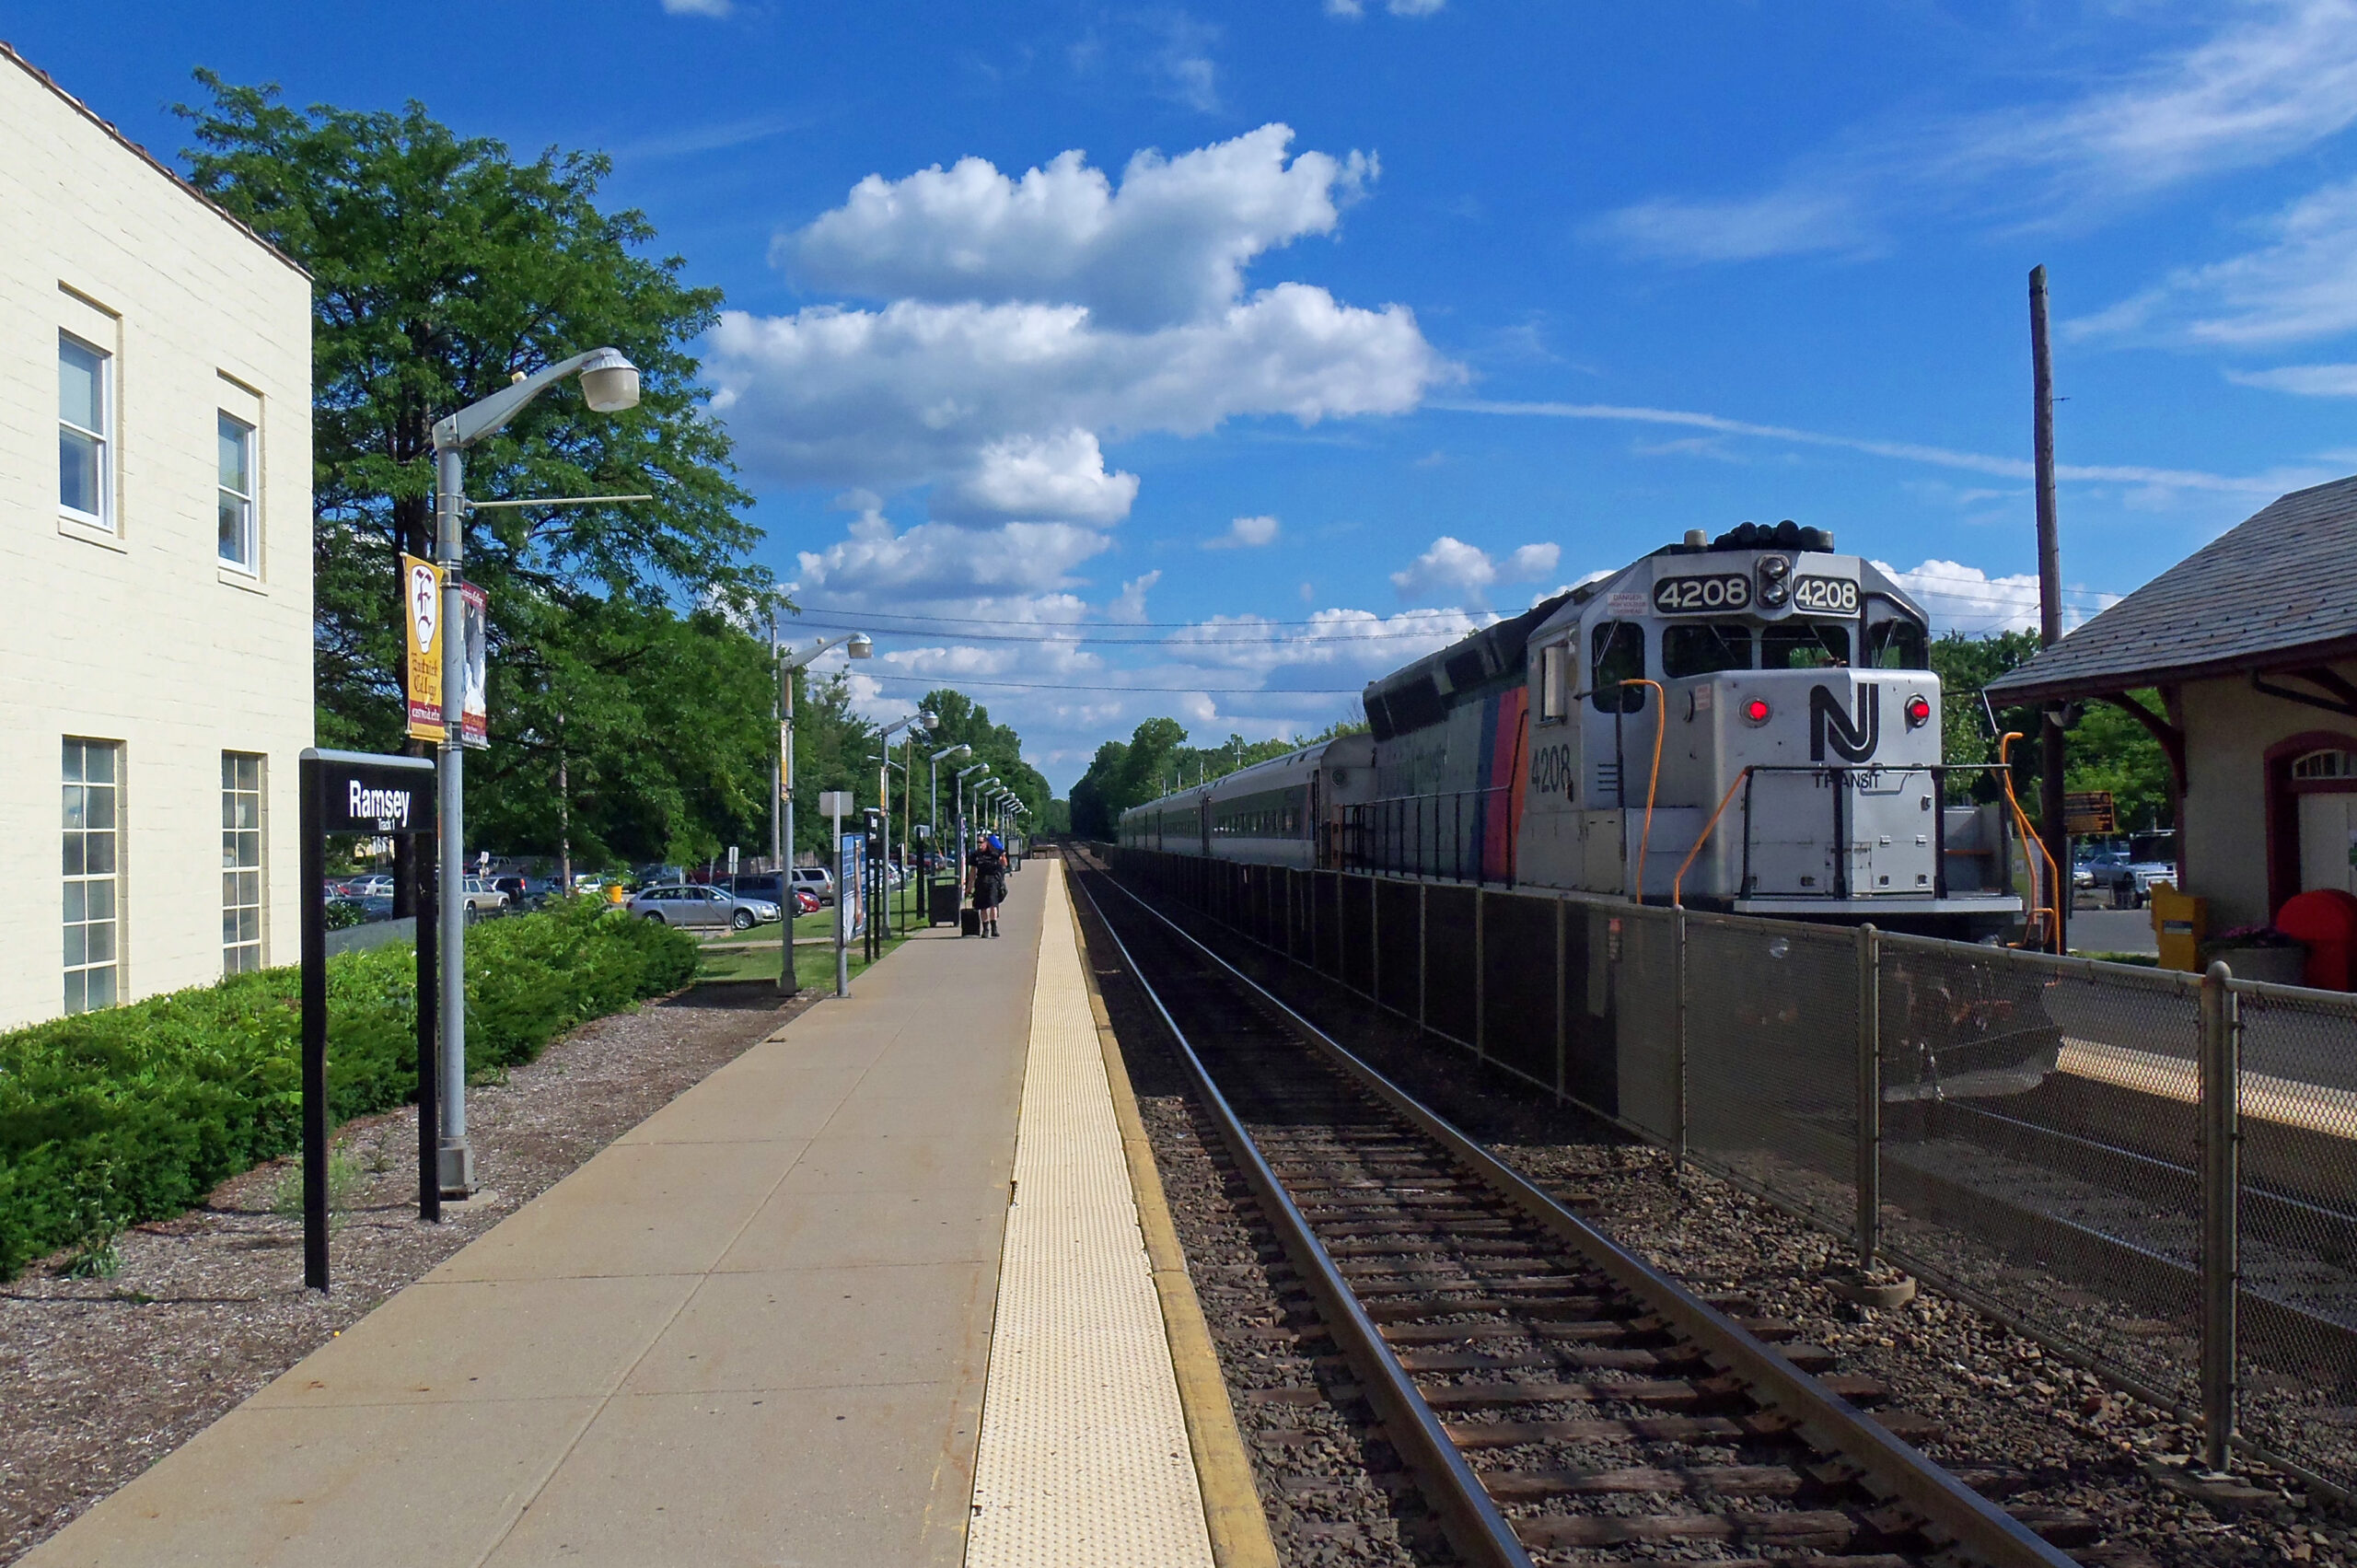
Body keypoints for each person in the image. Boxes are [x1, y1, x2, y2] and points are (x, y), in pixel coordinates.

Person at [968, 832, 1008, 937]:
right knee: (982, 906)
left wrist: (1002, 855)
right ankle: (985, 929)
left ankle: (994, 929)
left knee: (993, 904)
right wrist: (969, 887)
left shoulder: (994, 853)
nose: (979, 845)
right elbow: (972, 872)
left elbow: (1005, 864)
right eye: (977, 842)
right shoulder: (975, 855)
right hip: (981, 880)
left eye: (981, 842)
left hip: (992, 880)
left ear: (986, 842)